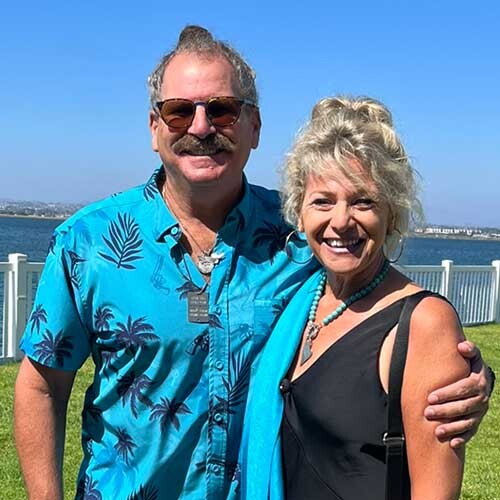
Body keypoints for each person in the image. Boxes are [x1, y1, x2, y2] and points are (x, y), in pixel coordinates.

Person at [14, 27, 492, 500]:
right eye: (179, 111)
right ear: (154, 128)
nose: (201, 128)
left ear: (254, 126)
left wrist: (458, 373)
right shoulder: (88, 243)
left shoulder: (299, 236)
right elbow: (42, 387)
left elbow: (381, 302)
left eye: (221, 109)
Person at [240, 96, 482, 500]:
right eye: (322, 201)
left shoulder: (423, 324)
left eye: (363, 201)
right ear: (299, 212)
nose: (340, 221)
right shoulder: (299, 295)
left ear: (392, 212)